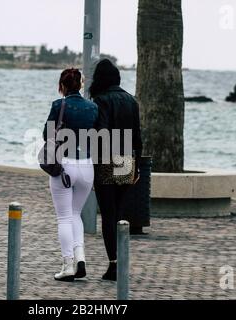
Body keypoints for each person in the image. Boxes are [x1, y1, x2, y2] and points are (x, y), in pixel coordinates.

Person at [90, 59, 143, 281]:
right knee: (120, 214)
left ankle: (114, 264)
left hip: (106, 159)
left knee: (108, 215)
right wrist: (137, 165)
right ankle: (121, 262)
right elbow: (138, 137)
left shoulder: (100, 101)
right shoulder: (131, 101)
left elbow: (100, 135)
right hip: (127, 159)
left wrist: (94, 165)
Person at [43, 68, 98, 282]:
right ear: (81, 84)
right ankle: (80, 258)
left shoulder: (59, 105)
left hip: (64, 165)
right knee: (76, 213)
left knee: (64, 217)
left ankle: (68, 266)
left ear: (62, 85)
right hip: (87, 166)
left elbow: (46, 133)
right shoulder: (93, 107)